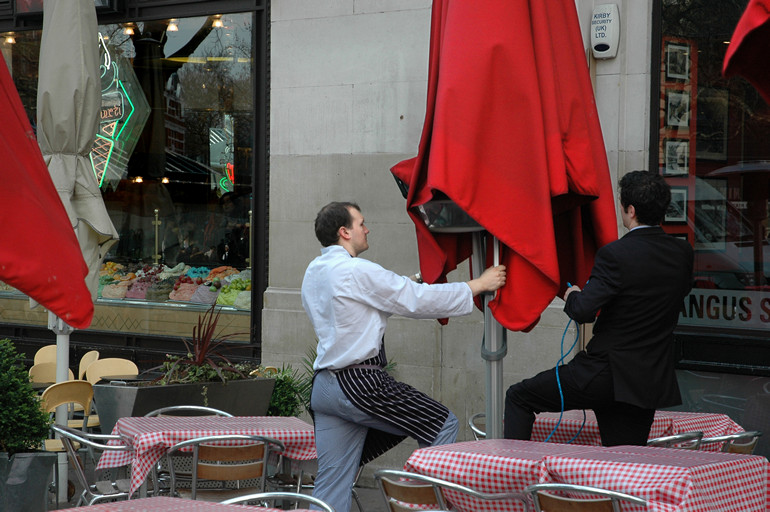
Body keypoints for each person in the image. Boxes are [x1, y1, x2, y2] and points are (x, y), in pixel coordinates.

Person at [301, 201, 506, 512]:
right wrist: (479, 284)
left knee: (332, 483)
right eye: (361, 223)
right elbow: (414, 301)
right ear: (344, 232)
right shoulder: (356, 270)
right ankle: (417, 505)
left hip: (324, 388)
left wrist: (415, 280)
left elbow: (371, 304)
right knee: (443, 425)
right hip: (358, 382)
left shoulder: (315, 271)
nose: (366, 229)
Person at [503, 170, 694, 446]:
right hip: (646, 380)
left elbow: (583, 311)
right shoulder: (682, 253)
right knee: (626, 465)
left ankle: (513, 477)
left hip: (603, 373)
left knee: (519, 396)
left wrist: (572, 295)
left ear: (630, 210)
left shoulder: (616, 254)